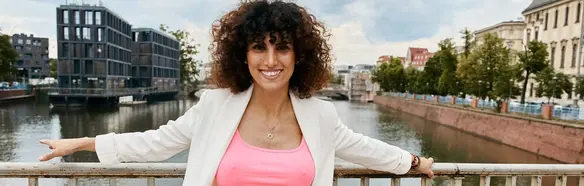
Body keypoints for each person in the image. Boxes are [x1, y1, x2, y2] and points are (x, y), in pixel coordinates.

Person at [38, 0, 435, 185]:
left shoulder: (320, 115)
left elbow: (364, 147)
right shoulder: (214, 106)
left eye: (282, 46)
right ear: (242, 55)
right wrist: (83, 143)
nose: (270, 60)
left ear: (300, 55)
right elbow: (156, 143)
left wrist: (413, 161)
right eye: (258, 47)